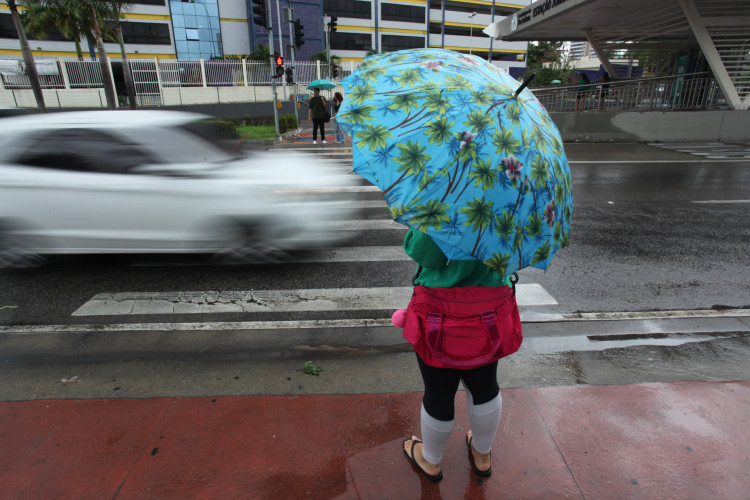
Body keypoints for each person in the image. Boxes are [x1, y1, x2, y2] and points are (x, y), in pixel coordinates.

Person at [400, 228, 512, 482]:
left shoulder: (445, 197)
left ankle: (431, 460)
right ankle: (482, 456)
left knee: (439, 389)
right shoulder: (511, 198)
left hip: (437, 308)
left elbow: (425, 254)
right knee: (485, 385)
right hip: (489, 309)